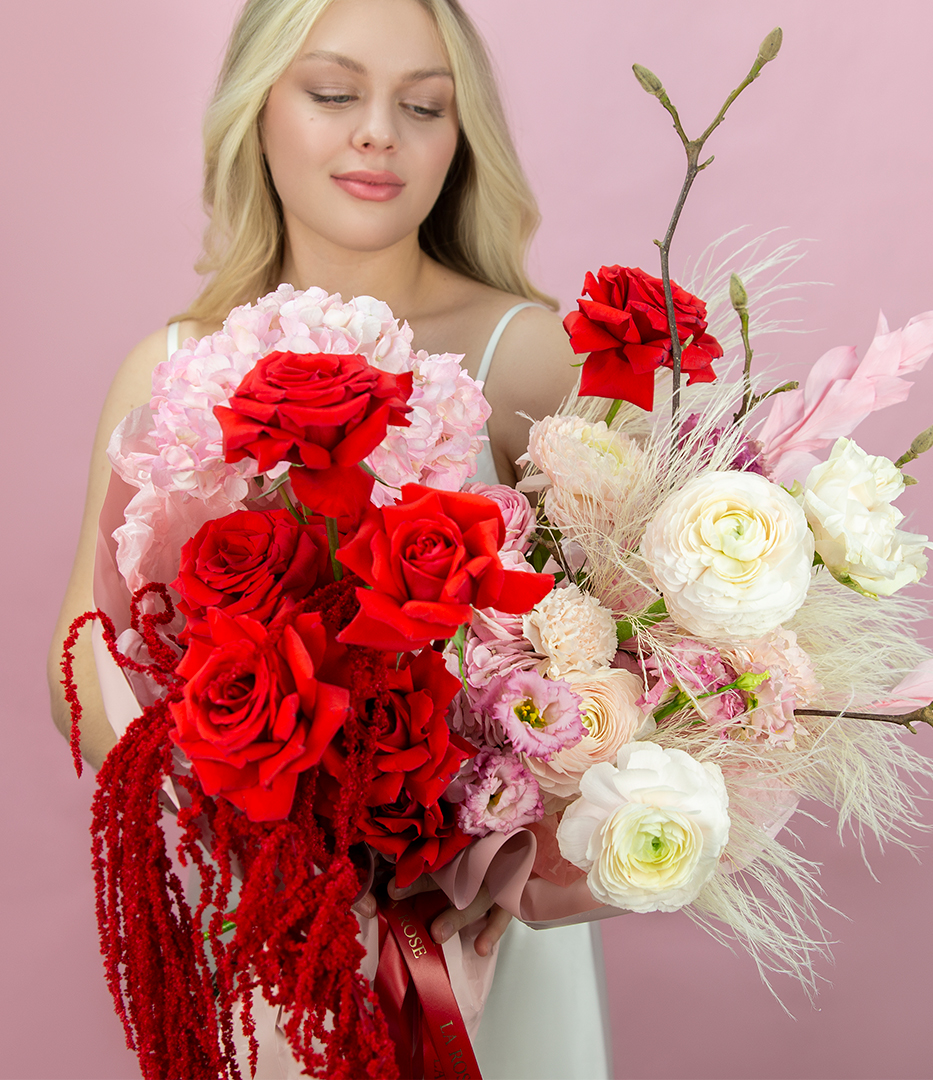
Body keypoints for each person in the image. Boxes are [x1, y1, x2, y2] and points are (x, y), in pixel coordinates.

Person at [46, 1, 611, 1076]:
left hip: (482, 923)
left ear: (461, 138)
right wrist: (246, 797)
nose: (378, 133)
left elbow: (614, 641)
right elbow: (80, 649)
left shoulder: (529, 354)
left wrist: (494, 823)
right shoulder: (171, 365)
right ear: (256, 113)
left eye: (424, 106)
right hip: (277, 919)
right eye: (335, 93)